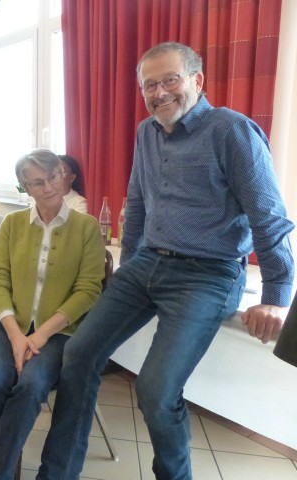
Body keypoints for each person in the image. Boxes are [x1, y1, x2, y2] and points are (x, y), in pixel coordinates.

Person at [37, 42, 295, 480]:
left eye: (170, 80)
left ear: (197, 80)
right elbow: (137, 203)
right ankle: (57, 473)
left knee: (156, 391)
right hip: (147, 262)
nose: (159, 93)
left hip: (208, 274)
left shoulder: (232, 131)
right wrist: (127, 266)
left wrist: (276, 294)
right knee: (77, 354)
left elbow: (268, 215)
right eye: (149, 85)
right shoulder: (146, 132)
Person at [0, 149, 105, 480]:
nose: (48, 187)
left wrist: (40, 335)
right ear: (26, 188)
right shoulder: (12, 223)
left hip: (60, 330)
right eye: (37, 182)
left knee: (32, 385)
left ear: (63, 176)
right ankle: (5, 464)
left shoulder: (87, 226)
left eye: (53, 177)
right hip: (2, 321)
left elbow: (89, 289)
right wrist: (16, 335)